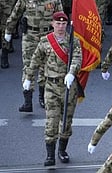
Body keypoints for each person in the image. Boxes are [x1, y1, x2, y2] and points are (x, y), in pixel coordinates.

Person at [23, 11, 82, 166]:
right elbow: (35, 60)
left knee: (66, 121)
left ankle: (62, 151)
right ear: (52, 24)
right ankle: (50, 156)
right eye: (58, 23)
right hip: (51, 86)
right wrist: (29, 78)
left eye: (64, 23)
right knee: (51, 121)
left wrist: (71, 72)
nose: (61, 26)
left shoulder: (73, 40)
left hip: (69, 86)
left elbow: (77, 57)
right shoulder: (45, 41)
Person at [5, 0, 62, 111]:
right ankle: (27, 100)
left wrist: (62, 36)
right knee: (29, 67)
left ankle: (42, 97)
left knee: (45, 67)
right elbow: (15, 14)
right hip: (30, 36)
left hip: (47, 37)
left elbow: (60, 18)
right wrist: (8, 30)